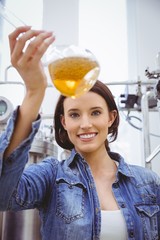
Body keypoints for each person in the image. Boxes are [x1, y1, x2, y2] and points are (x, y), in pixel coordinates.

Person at [0, 26, 160, 240]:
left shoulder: (148, 182)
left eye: (95, 112)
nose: (85, 124)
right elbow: (3, 194)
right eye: (74, 115)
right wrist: (34, 91)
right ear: (64, 122)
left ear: (111, 117)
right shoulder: (51, 176)